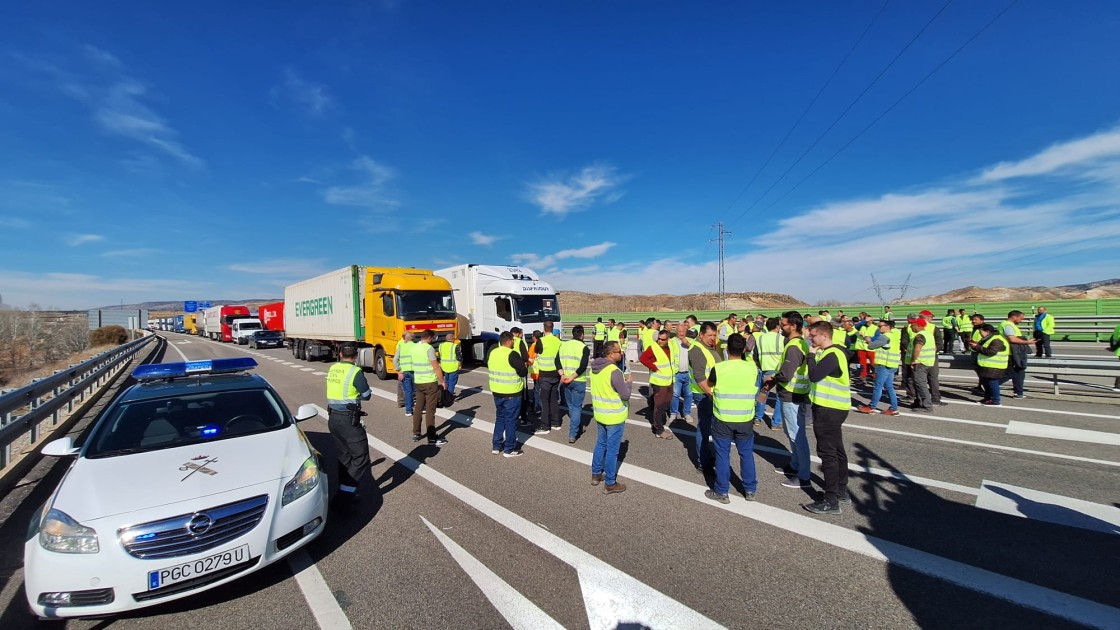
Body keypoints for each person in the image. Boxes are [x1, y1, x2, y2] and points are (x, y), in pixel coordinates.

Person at [704, 333, 760, 504]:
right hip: (745, 418)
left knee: (722, 454)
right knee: (746, 453)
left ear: (727, 349)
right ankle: (750, 489)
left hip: (723, 417)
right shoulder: (752, 368)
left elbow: (710, 384)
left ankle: (722, 491)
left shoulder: (719, 368)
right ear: (744, 349)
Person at [803, 320, 852, 515]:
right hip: (834, 407)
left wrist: (811, 356)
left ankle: (831, 500)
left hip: (829, 409)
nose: (810, 338)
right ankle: (841, 491)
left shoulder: (831, 354)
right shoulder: (835, 353)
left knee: (828, 453)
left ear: (824, 335)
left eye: (813, 335)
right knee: (837, 450)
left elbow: (814, 375)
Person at [766, 311, 812, 490]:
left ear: (793, 326)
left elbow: (786, 374)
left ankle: (804, 475)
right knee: (791, 433)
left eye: (783, 325)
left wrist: (772, 378)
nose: (780, 328)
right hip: (793, 394)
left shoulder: (794, 346)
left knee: (796, 435)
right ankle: (795, 465)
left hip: (793, 395)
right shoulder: (798, 344)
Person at [325, 343, 373, 513]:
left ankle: (344, 491)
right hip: (348, 420)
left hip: (333, 418)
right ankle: (344, 496)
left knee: (344, 458)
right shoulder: (355, 371)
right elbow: (366, 395)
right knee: (360, 457)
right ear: (356, 355)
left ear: (339, 354)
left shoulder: (333, 368)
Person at [590, 341, 631, 494]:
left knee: (600, 444)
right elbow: (625, 395)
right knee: (613, 450)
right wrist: (630, 384)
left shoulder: (594, 368)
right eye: (619, 351)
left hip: (600, 413)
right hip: (614, 415)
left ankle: (596, 474)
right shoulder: (614, 371)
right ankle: (610, 482)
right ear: (611, 354)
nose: (621, 354)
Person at [488, 332, 528, 456]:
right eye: (513, 341)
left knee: (500, 418)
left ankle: (496, 445)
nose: (514, 343)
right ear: (509, 341)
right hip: (511, 392)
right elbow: (523, 371)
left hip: (497, 391)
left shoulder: (493, 352)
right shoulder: (512, 354)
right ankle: (509, 449)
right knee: (511, 420)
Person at [689, 321, 722, 471]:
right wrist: (710, 394)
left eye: (714, 335)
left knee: (710, 427)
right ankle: (703, 462)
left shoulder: (708, 347)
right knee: (703, 428)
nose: (712, 338)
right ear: (701, 334)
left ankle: (708, 455)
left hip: (711, 393)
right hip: (704, 394)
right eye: (709, 335)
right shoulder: (696, 350)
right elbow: (700, 376)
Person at [410, 330, 448, 445]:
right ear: (429, 338)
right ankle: (432, 437)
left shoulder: (414, 347)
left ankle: (416, 434)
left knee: (418, 408)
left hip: (418, 381)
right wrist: (442, 381)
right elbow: (436, 367)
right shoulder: (429, 349)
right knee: (430, 410)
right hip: (430, 382)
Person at [857, 319, 901, 415]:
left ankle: (871, 407)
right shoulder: (894, 335)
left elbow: (871, 346)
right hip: (892, 364)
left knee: (878, 386)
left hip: (884, 365)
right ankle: (894, 408)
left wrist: (868, 340)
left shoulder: (884, 337)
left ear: (887, 327)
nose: (878, 327)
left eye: (880, 326)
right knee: (889, 387)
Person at [638, 329, 676, 439]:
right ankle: (659, 430)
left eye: (663, 339)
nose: (660, 341)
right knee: (659, 407)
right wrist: (654, 367)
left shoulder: (671, 346)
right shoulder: (653, 348)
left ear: (668, 339)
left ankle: (659, 425)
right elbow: (643, 358)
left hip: (669, 380)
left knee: (665, 405)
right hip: (659, 382)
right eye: (659, 338)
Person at [559, 324, 591, 443]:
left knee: (571, 406)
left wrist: (562, 375)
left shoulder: (564, 345)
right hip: (578, 380)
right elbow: (583, 366)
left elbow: (557, 361)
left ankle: (575, 424)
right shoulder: (584, 347)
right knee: (577, 407)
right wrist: (572, 377)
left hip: (566, 380)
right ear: (582, 335)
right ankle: (573, 433)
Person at [754, 317, 784, 429]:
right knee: (779, 397)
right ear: (777, 327)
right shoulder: (782, 339)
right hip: (778, 370)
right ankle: (775, 423)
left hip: (764, 369)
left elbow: (755, 356)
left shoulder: (760, 339)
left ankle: (758, 418)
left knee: (762, 394)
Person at [534, 320, 563, 434]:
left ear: (544, 328)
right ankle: (556, 423)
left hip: (544, 374)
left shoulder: (541, 341)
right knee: (553, 399)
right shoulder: (558, 341)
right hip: (555, 373)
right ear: (553, 328)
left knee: (544, 400)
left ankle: (545, 426)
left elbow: (537, 352)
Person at [969, 324, 1008, 406]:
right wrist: (975, 346)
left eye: (981, 332)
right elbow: (982, 348)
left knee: (992, 383)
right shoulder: (987, 338)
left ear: (987, 331)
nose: (980, 334)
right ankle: (987, 398)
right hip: (987, 365)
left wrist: (977, 346)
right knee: (986, 383)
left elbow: (991, 352)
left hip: (995, 365)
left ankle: (995, 400)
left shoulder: (997, 339)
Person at [905, 316, 937, 413]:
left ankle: (927, 405)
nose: (910, 327)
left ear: (918, 326)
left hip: (920, 363)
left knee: (920, 384)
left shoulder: (919, 336)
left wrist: (914, 360)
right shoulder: (929, 335)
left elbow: (917, 348)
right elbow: (935, 348)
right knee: (918, 384)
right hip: (928, 362)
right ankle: (920, 403)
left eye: (912, 325)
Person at [1000, 310, 1032, 399]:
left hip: (1015, 352)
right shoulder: (1007, 325)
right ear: (1014, 317)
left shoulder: (1010, 325)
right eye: (1020, 318)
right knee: (1012, 372)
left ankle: (1019, 393)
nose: (1021, 320)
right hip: (1012, 353)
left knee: (1019, 372)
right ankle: (991, 385)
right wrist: (1027, 342)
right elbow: (1012, 339)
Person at [919, 310, 948, 406]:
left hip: (919, 356)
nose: (932, 319)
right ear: (926, 317)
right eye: (931, 317)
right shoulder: (932, 327)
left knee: (920, 379)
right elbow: (939, 343)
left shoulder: (912, 327)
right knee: (932, 378)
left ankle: (920, 399)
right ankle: (934, 398)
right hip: (929, 357)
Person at [670, 322, 695, 424]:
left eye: (684, 331)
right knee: (675, 394)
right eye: (680, 331)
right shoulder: (671, 342)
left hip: (688, 373)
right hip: (677, 373)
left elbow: (696, 351)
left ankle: (687, 413)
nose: (682, 333)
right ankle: (673, 413)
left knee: (689, 394)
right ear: (676, 332)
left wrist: (688, 343)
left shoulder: (691, 341)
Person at [511, 327, 533, 426]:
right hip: (520, 370)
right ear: (519, 333)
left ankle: (514, 416)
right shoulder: (520, 342)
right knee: (523, 395)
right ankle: (524, 418)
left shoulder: (502, 342)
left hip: (509, 372)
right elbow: (525, 356)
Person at [394, 332, 414, 417]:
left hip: (404, 372)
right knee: (419, 390)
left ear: (405, 339)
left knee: (408, 391)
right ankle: (422, 408)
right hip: (415, 371)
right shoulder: (416, 346)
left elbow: (395, 360)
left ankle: (408, 410)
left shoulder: (401, 347)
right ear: (412, 338)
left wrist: (399, 370)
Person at [437, 332, 461, 400]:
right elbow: (459, 357)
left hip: (444, 366)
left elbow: (439, 355)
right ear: (452, 339)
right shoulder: (455, 346)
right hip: (453, 367)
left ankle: (445, 395)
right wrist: (460, 365)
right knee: (452, 383)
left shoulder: (441, 345)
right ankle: (449, 397)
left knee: (446, 381)